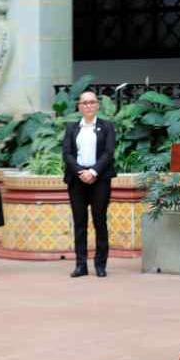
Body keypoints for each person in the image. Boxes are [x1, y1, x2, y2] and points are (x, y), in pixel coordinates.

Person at [62, 91, 116, 278]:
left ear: (97, 105)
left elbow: (109, 153)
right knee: (79, 223)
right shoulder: (71, 127)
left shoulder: (107, 127)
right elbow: (67, 153)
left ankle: (100, 265)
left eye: (92, 102)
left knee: (99, 221)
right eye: (84, 103)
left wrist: (93, 172)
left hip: (99, 180)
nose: (88, 106)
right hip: (77, 180)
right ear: (79, 106)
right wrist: (80, 172)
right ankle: (80, 265)